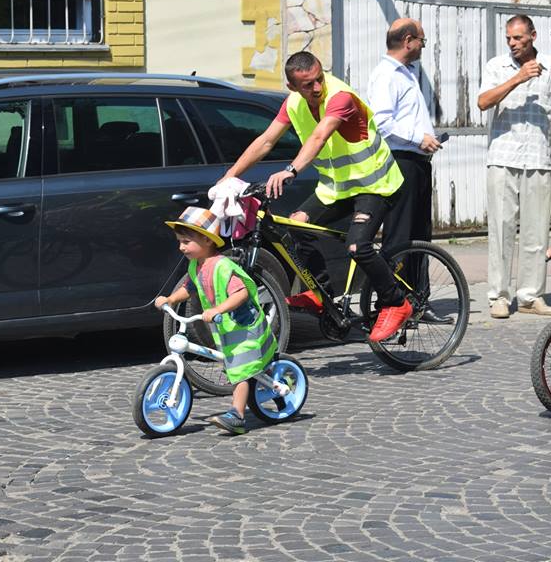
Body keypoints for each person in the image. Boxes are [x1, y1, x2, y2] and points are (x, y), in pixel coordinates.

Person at [219, 51, 410, 343]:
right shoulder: (293, 104)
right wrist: (229, 176)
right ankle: (322, 294)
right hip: (337, 187)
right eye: (308, 84)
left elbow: (319, 137)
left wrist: (290, 170)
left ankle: (396, 302)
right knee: (295, 225)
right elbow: (266, 140)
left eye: (319, 79)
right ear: (292, 86)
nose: (317, 87)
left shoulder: (341, 97)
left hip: (375, 185)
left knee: (358, 246)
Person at [477, 14, 551, 319]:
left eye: (518, 38)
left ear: (532, 36)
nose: (512, 43)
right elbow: (483, 102)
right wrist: (518, 78)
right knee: (501, 229)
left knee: (536, 232)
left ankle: (530, 295)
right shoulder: (497, 66)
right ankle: (498, 295)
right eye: (509, 38)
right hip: (503, 158)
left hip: (538, 157)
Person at [154, 206, 276, 434]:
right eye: (179, 241)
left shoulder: (222, 266)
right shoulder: (196, 266)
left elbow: (241, 292)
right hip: (226, 326)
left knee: (240, 370)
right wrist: (170, 299)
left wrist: (218, 308)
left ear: (207, 241)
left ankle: (237, 416)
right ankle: (262, 376)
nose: (181, 247)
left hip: (244, 325)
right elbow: (190, 287)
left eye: (186, 241)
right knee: (237, 365)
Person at [366, 18, 449, 324]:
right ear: (409, 40)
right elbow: (381, 121)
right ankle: (392, 302)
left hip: (416, 162)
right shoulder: (387, 75)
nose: (423, 48)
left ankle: (417, 300)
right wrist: (419, 138)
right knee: (399, 236)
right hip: (399, 160)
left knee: (419, 236)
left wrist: (427, 137)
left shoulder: (406, 73)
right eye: (422, 42)